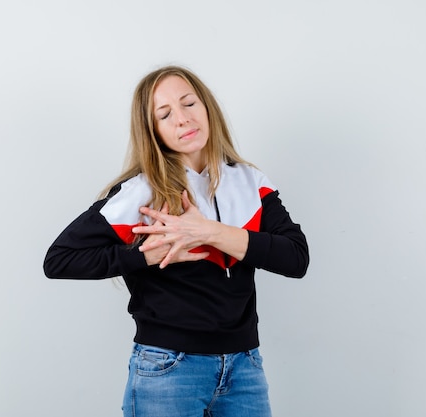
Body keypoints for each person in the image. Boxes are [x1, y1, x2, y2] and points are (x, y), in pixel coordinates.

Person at [43, 65, 309, 417]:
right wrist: (144, 257)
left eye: (189, 104)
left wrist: (207, 231)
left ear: (208, 107)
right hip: (169, 368)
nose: (182, 119)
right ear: (152, 131)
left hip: (245, 368)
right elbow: (59, 260)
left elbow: (296, 258)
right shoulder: (141, 191)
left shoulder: (249, 181)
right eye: (165, 114)